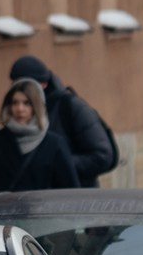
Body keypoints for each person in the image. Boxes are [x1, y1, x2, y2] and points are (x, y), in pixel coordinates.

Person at [8, 55, 117, 186]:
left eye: (27, 87)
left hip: (74, 197)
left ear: (43, 84)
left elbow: (102, 156)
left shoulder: (70, 106)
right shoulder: (17, 111)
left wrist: (59, 164)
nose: (20, 107)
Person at [0, 78, 81, 200]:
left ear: (36, 106)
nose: (20, 109)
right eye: (15, 103)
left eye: (26, 103)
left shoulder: (54, 145)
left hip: (42, 216)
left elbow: (70, 193)